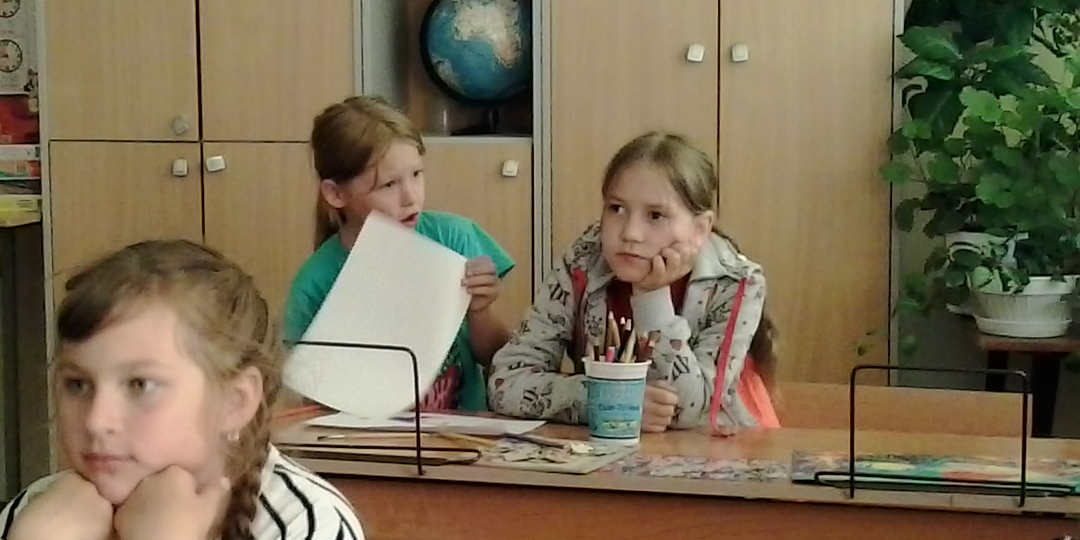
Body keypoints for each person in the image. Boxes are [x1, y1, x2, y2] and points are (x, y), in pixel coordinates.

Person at [0, 239, 365, 540]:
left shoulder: (308, 525)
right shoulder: (36, 520)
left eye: (140, 384)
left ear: (235, 402)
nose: (97, 420)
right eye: (77, 384)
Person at [489, 131, 777, 434]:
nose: (630, 233)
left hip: (712, 450)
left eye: (656, 215)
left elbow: (691, 411)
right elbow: (505, 382)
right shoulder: (583, 263)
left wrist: (652, 298)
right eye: (616, 209)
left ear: (700, 229)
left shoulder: (737, 284)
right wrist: (604, 400)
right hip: (610, 450)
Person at [284, 95, 514, 412]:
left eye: (417, 174)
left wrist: (479, 311)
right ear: (335, 194)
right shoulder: (315, 282)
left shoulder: (453, 238)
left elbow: (498, 359)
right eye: (389, 184)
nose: (411, 197)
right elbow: (307, 396)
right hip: (372, 437)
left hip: (464, 430)